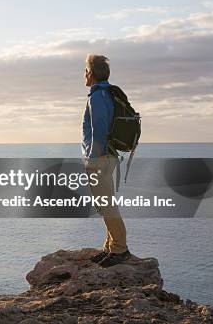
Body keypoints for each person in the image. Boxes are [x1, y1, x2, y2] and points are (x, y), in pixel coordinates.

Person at [82, 54, 130, 267]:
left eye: (85, 71)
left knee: (107, 205)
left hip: (100, 158)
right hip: (108, 156)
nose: (84, 75)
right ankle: (110, 246)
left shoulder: (97, 97)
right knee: (105, 203)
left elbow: (99, 130)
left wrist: (93, 159)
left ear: (91, 73)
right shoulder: (108, 94)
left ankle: (120, 249)